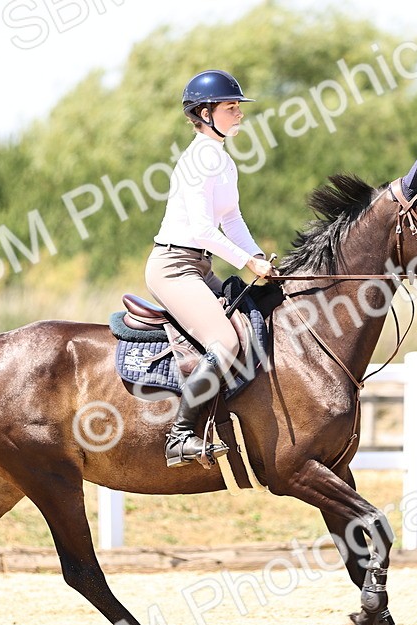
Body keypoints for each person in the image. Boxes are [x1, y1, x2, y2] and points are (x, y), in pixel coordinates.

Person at [147, 69, 274, 468]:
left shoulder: (222, 159)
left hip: (200, 266)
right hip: (174, 266)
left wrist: (259, 257)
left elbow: (232, 219)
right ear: (205, 113)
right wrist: (247, 261)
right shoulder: (201, 158)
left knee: (255, 319)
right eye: (231, 107)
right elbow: (204, 230)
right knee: (224, 341)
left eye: (237, 107)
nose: (239, 114)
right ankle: (180, 436)